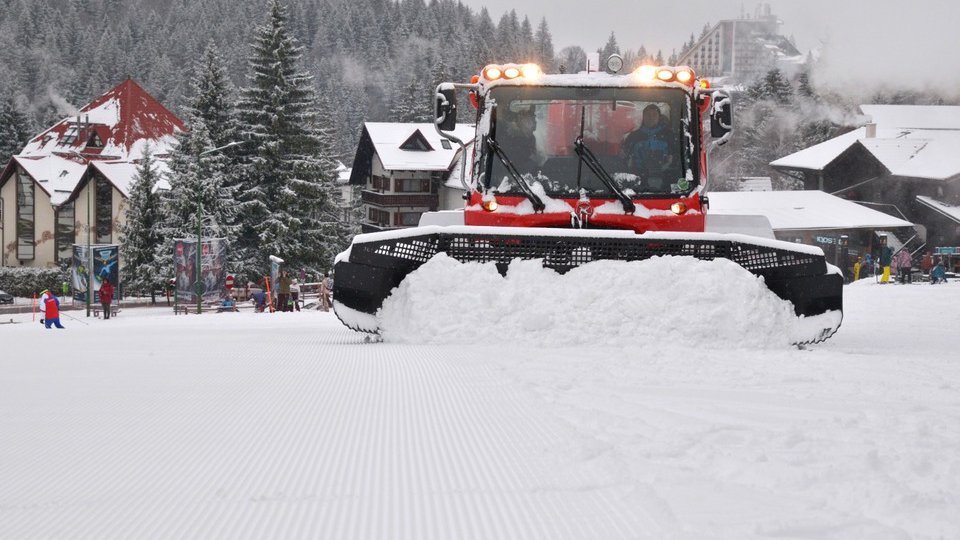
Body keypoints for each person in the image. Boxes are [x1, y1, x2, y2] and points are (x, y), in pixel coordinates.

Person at [622, 104, 675, 190]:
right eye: (648, 114)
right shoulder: (634, 136)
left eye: (654, 114)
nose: (651, 117)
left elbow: (676, 158)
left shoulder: (669, 136)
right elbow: (624, 158)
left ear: (659, 117)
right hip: (638, 179)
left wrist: (667, 164)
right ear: (643, 117)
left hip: (666, 179)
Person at [499, 106, 539, 174]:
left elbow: (533, 155)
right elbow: (515, 163)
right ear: (520, 122)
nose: (534, 123)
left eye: (533, 120)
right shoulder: (512, 139)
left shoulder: (531, 138)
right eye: (529, 120)